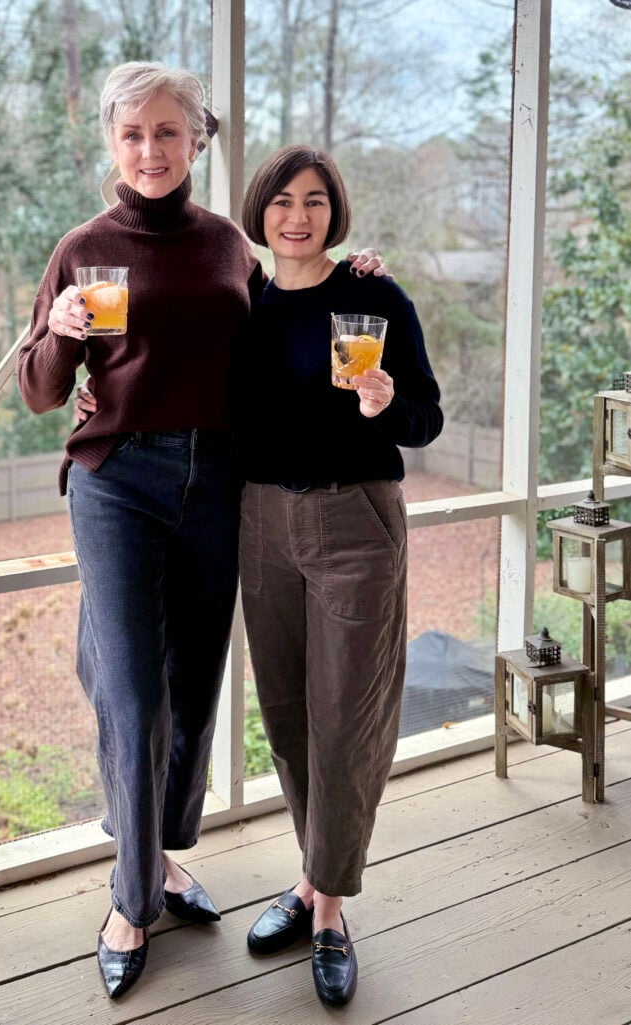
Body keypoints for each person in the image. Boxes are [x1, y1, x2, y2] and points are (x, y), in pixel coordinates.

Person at [18, 61, 384, 1002]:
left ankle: (165, 854)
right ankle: (130, 897)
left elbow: (290, 323)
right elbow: (40, 390)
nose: (150, 149)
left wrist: (360, 277)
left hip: (221, 477)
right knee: (131, 689)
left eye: (167, 132)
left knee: (191, 686)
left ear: (196, 141)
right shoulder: (82, 247)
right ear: (112, 142)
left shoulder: (228, 245)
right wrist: (61, 332)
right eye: (132, 133)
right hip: (117, 478)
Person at [236, 146, 442, 1006]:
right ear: (259, 210)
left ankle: (327, 907)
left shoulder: (373, 295)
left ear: (335, 211)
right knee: (288, 717)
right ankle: (310, 873)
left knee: (346, 719)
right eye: (282, 200)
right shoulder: (240, 298)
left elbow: (426, 418)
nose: (297, 216)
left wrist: (382, 402)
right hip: (259, 521)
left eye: (315, 200)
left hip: (355, 519)